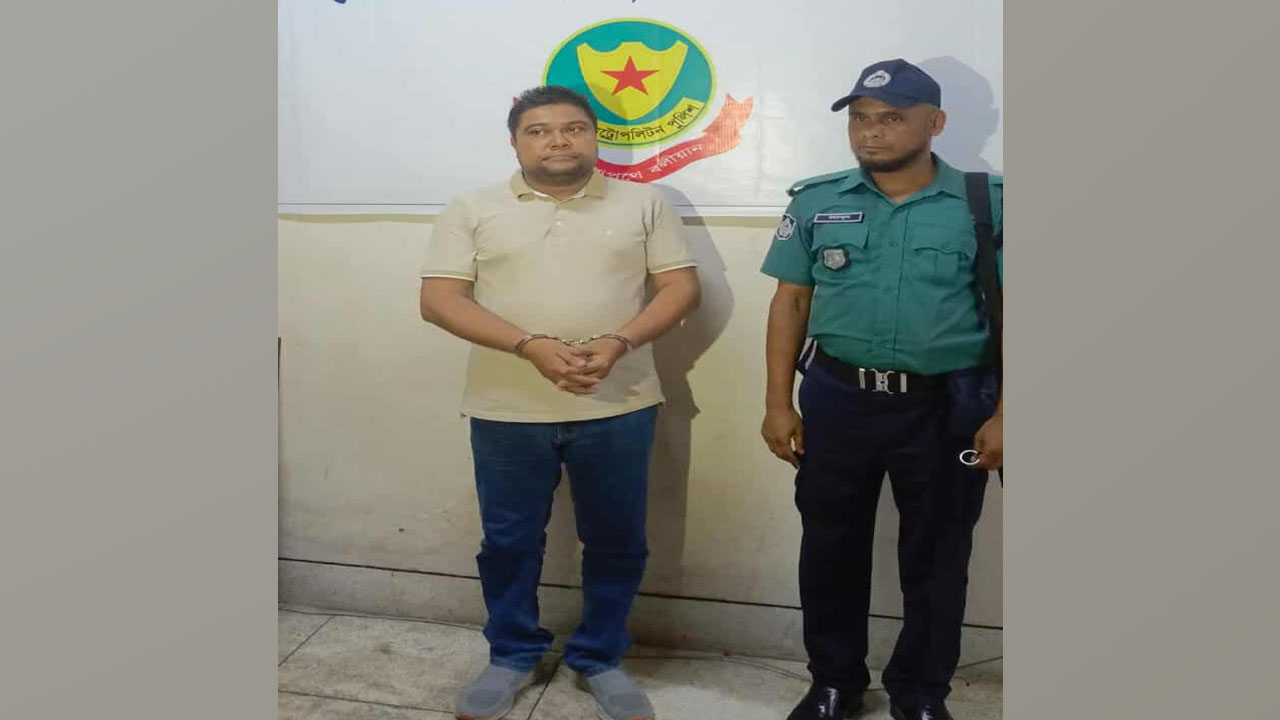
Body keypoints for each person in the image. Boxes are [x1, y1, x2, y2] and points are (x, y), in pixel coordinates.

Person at [418, 85, 699, 720]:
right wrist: (530, 346)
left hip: (619, 402)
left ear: (596, 137)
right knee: (509, 541)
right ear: (515, 142)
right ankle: (512, 654)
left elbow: (681, 287)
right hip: (506, 407)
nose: (558, 141)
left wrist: (620, 342)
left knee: (618, 539)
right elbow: (438, 299)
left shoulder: (645, 202)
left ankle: (599, 657)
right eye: (539, 131)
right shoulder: (472, 207)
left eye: (574, 128)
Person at [759, 59, 1003, 720]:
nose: (870, 131)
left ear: (936, 123)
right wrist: (778, 402)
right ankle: (834, 683)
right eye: (861, 119)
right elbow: (790, 303)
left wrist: (1009, 413)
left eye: (891, 118)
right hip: (839, 400)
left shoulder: (987, 202)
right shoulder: (816, 201)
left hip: (946, 406)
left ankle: (920, 694)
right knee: (830, 548)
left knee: (938, 557)